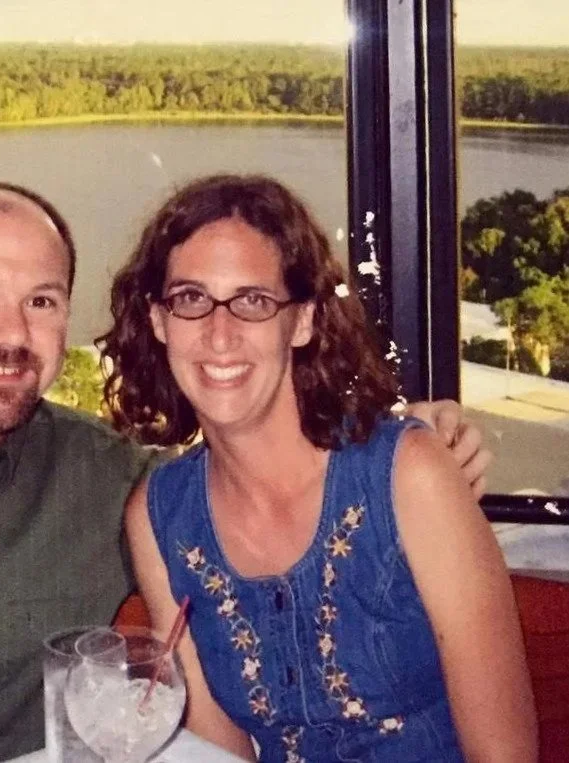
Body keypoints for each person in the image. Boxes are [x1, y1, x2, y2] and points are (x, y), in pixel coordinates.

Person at [0, 179, 490, 763]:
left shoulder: (117, 484)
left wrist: (405, 435)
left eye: (41, 301)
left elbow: (248, 470)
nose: (11, 333)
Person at [101, 174, 536, 761]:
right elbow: (218, 751)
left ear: (301, 320)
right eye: (190, 298)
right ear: (158, 321)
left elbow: (505, 754)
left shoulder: (408, 476)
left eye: (253, 300)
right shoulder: (160, 517)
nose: (219, 333)